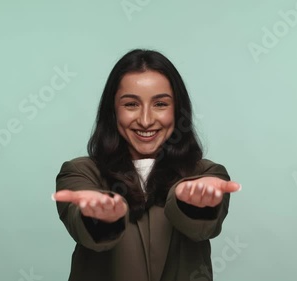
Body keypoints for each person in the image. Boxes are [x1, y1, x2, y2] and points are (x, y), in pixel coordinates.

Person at [52, 49, 241, 281]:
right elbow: (86, 229)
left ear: (177, 110)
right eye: (131, 104)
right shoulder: (80, 173)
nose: (145, 120)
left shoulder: (207, 174)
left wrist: (191, 202)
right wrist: (101, 216)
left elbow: (202, 228)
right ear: (113, 111)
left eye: (160, 104)